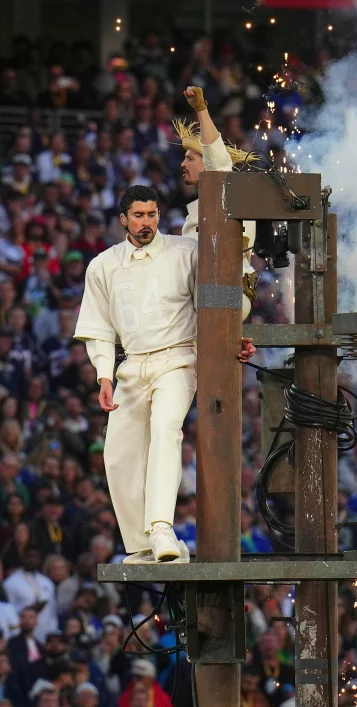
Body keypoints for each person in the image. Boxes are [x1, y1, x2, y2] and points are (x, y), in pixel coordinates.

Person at [74, 185, 255, 563]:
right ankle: (141, 542)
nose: (146, 222)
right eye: (138, 215)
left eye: (152, 214)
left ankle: (161, 527)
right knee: (117, 454)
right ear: (123, 219)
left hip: (179, 360)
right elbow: (99, 327)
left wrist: (232, 334)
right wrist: (104, 375)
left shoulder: (185, 251)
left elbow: (217, 296)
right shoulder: (103, 265)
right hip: (131, 366)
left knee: (165, 429)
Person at [174, 85, 257, 319]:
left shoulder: (228, 192)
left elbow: (218, 162)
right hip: (206, 293)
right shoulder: (205, 204)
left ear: (207, 162)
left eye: (190, 158)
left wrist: (201, 110)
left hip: (226, 291)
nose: (183, 164)